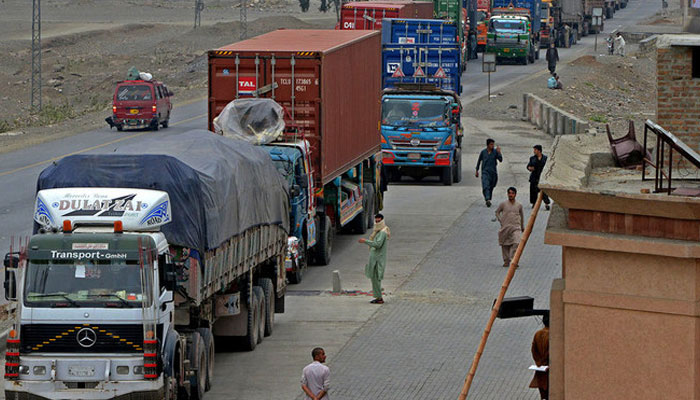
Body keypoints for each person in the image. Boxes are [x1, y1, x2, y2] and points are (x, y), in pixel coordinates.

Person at [359, 214, 390, 304]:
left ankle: (379, 298)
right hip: (375, 260)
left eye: (378, 221)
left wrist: (365, 241)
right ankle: (377, 297)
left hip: (378, 260)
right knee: (374, 279)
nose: (377, 222)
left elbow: (377, 244)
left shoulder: (382, 232)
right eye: (376, 221)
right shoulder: (378, 231)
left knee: (376, 279)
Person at [495, 187, 524, 268]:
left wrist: (522, 226)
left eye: (512, 193)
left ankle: (513, 260)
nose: (511, 195)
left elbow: (521, 216)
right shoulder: (503, 204)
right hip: (505, 227)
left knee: (516, 242)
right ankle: (506, 260)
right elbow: (497, 212)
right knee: (505, 244)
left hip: (516, 227)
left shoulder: (519, 205)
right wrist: (501, 221)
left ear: (515, 194)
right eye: (509, 193)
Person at [475, 139, 503, 207]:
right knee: (485, 185)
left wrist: (499, 152)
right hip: (485, 172)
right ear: (487, 145)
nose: (492, 146)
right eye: (491, 144)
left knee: (491, 186)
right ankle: (487, 199)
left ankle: (489, 198)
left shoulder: (495, 152)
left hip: (493, 173)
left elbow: (500, 160)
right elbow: (479, 161)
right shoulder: (483, 152)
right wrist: (477, 170)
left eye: (493, 144)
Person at [529, 314, 550, 400]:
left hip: (541, 370)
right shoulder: (553, 335)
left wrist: (539, 363)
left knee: (543, 395)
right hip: (550, 370)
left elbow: (534, 350)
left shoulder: (537, 334)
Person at [528, 145, 551, 210]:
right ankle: (534, 203)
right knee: (533, 191)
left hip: (542, 177)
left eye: (535, 150)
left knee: (544, 192)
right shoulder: (532, 158)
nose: (534, 151)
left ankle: (547, 204)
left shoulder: (545, 158)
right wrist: (530, 168)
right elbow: (529, 166)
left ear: (539, 150)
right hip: (534, 177)